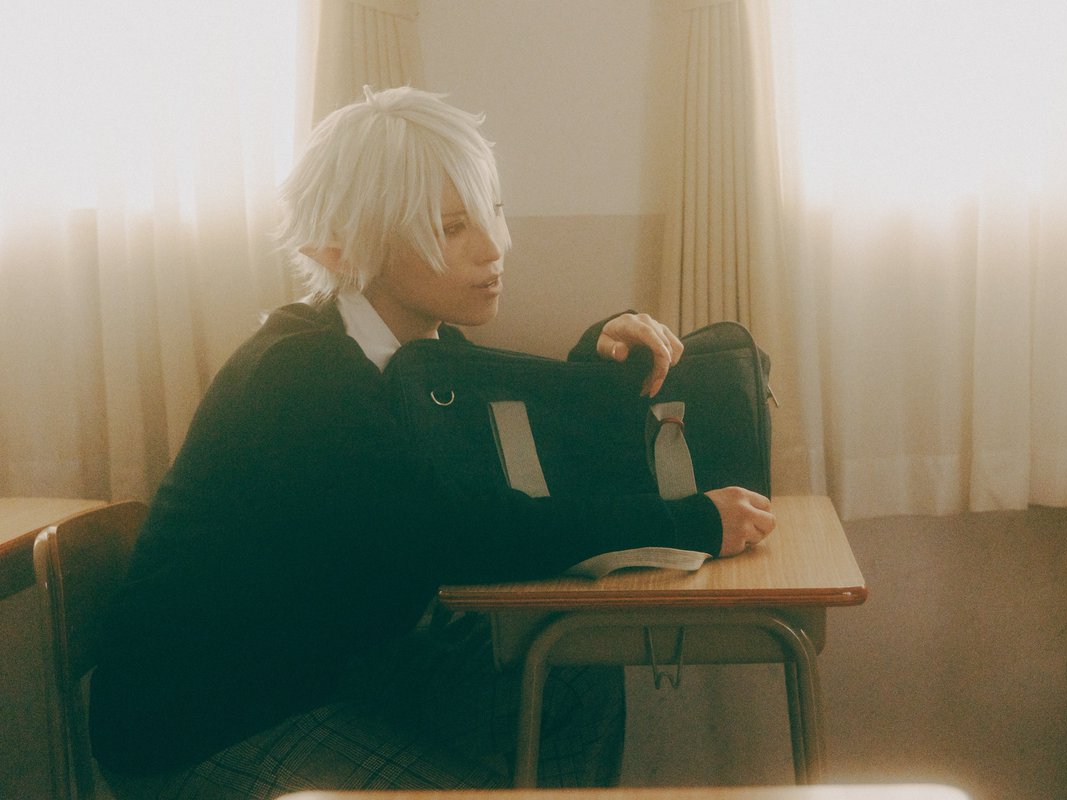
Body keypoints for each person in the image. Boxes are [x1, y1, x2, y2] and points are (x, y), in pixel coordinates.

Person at [88, 86, 775, 799]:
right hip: (210, 726)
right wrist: (690, 523)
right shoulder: (302, 372)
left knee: (574, 666)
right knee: (553, 660)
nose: (493, 247)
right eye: (450, 228)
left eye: (492, 212)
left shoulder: (423, 353)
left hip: (336, 673)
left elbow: (510, 460)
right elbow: (466, 530)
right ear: (341, 248)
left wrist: (596, 358)